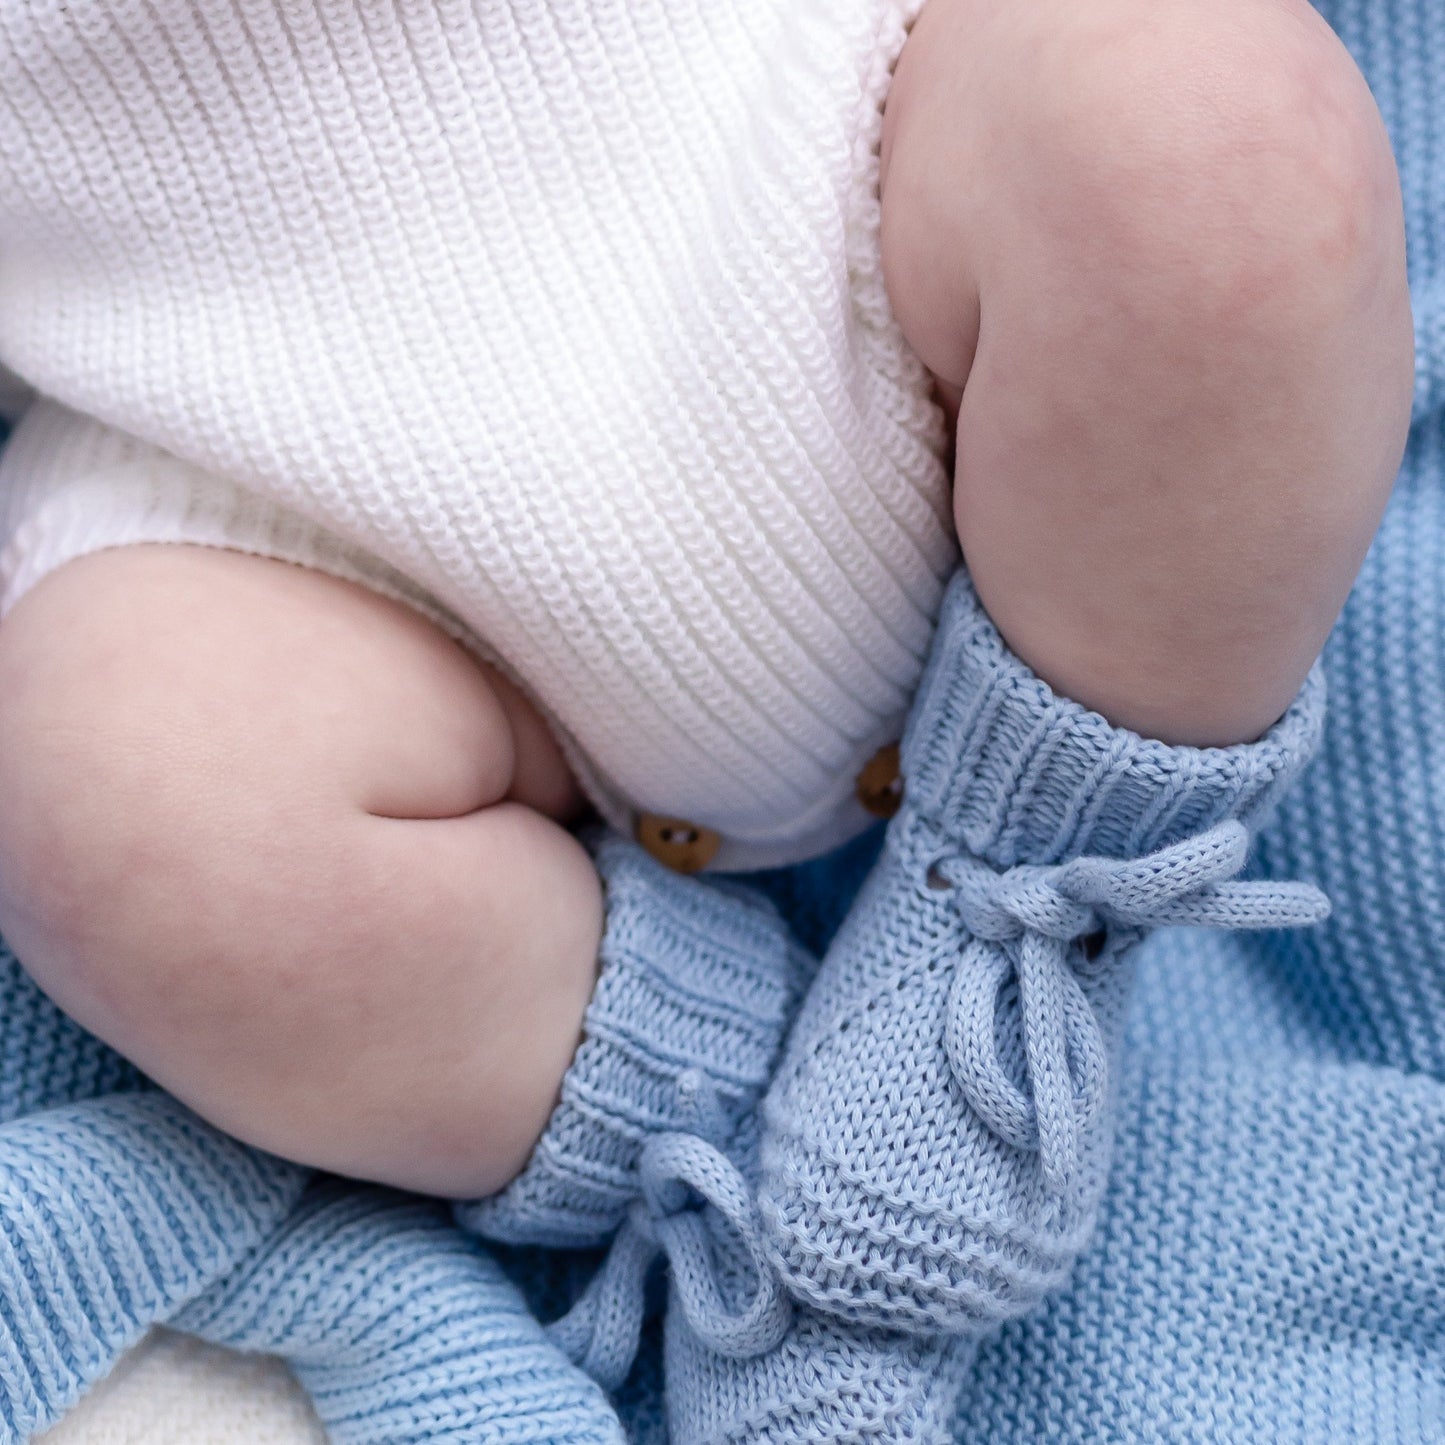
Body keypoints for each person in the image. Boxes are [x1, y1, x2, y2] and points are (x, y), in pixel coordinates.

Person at [0, 0, 1413, 1437]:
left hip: (805, 120)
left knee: (1221, 154)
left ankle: (1012, 894)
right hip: (244, 433)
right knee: (121, 811)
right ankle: (741, 1157)